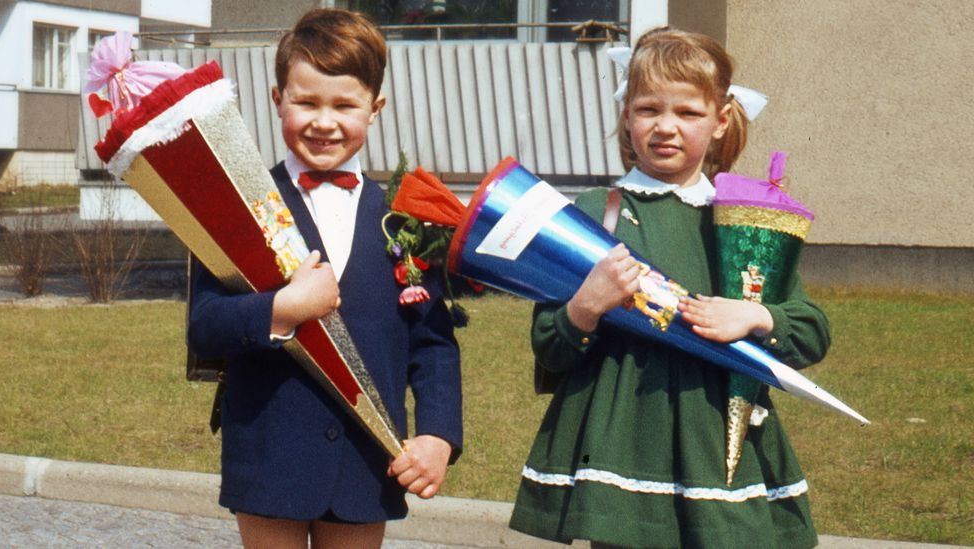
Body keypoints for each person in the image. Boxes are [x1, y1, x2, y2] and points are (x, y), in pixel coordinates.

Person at [508, 27, 830, 549]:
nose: (665, 127)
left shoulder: (747, 222)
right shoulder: (595, 215)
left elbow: (811, 331)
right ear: (626, 115)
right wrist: (586, 308)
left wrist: (756, 319)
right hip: (621, 453)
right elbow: (550, 345)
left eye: (687, 113)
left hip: (721, 452)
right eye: (648, 109)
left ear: (721, 120)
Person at [187, 8, 462, 548]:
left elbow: (432, 343)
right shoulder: (237, 211)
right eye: (306, 102)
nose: (324, 121)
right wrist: (281, 309)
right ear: (277, 100)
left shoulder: (405, 220)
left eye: (344, 105)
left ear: (375, 108)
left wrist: (437, 435)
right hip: (270, 457)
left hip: (367, 459)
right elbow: (205, 325)